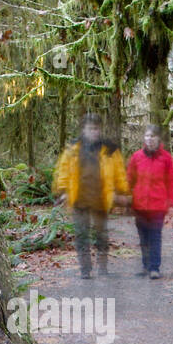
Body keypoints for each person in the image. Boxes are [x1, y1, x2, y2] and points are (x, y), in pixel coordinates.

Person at [52, 113, 130, 278]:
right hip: (79, 199)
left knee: (101, 235)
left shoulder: (109, 149)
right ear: (84, 129)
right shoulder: (73, 149)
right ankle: (85, 269)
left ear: (99, 130)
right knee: (82, 235)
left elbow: (119, 172)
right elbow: (63, 171)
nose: (93, 132)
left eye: (96, 128)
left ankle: (102, 267)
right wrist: (64, 190)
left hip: (101, 200)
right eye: (90, 128)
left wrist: (122, 191)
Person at [125, 124, 173, 279]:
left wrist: (172, 203)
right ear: (144, 138)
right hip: (139, 204)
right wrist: (125, 196)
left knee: (155, 236)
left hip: (158, 205)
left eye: (153, 136)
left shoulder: (166, 158)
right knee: (143, 237)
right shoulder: (136, 157)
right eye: (147, 136)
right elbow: (129, 179)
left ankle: (154, 268)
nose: (149, 139)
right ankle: (145, 265)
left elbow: (171, 182)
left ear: (158, 138)